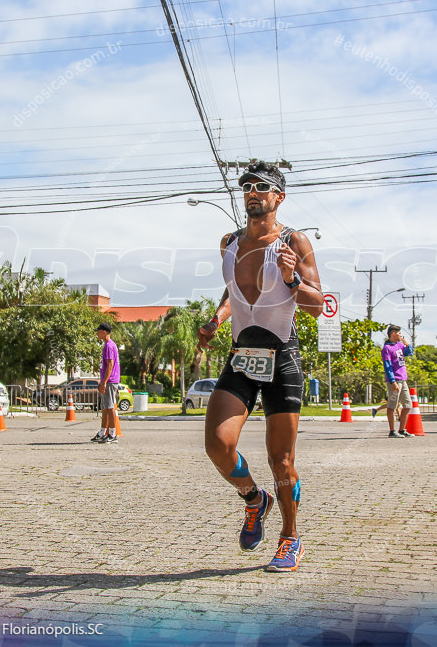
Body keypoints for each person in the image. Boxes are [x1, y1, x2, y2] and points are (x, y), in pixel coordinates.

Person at [197, 159, 323, 573]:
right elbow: (233, 290)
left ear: (278, 197)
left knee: (281, 460)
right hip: (241, 354)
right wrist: (217, 317)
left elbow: (317, 305)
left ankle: (290, 537)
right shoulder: (228, 242)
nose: (253, 191)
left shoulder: (295, 242)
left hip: (282, 354)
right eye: (247, 185)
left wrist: (291, 279)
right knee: (217, 443)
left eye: (262, 186)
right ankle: (255, 500)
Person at [370, 325, 414, 437]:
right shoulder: (386, 349)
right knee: (392, 405)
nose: (401, 335)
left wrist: (406, 343)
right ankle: (392, 431)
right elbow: (387, 366)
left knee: (408, 404)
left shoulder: (400, 345)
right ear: (393, 334)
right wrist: (393, 382)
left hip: (403, 379)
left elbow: (409, 352)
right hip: (395, 380)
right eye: (399, 333)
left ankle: (402, 429)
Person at [91, 323, 120, 444]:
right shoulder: (108, 345)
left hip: (110, 380)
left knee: (109, 407)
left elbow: (110, 364)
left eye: (98, 331)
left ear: (104, 332)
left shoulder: (109, 345)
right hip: (108, 380)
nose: (97, 333)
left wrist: (104, 382)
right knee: (104, 408)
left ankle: (112, 434)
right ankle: (103, 432)